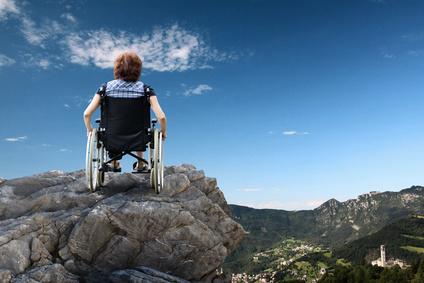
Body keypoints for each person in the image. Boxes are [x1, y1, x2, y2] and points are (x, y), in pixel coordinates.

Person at [83, 51, 167, 172]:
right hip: (138, 136)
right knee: (141, 129)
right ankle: (140, 163)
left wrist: (89, 129)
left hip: (112, 135)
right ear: (138, 69)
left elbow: (86, 114)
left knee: (112, 126)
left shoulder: (105, 88)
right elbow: (162, 117)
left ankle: (114, 162)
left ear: (117, 68)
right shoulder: (145, 89)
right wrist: (163, 131)